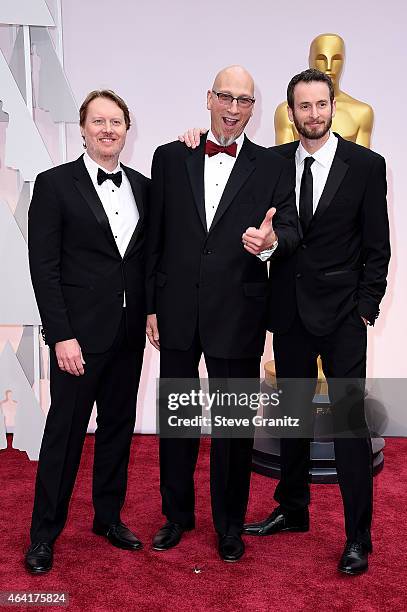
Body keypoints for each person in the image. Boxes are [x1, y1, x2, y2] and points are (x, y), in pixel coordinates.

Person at [180, 68, 390, 574]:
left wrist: (365, 308)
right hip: (288, 313)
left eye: (320, 105)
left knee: (347, 427)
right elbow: (218, 171)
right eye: (302, 107)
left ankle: (357, 535)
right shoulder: (270, 163)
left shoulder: (365, 165)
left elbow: (378, 248)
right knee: (292, 420)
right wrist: (190, 140)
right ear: (290, 111)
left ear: (332, 107)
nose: (312, 115)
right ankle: (293, 509)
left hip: (343, 318)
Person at [146, 65, 298, 562]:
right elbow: (156, 238)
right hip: (178, 310)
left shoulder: (274, 164)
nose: (234, 109)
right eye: (226, 98)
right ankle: (177, 515)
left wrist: (272, 242)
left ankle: (229, 524)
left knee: (233, 426)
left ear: (254, 107)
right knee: (180, 419)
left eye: (245, 101)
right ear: (209, 98)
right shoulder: (171, 156)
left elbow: (292, 227)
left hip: (240, 313)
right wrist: (150, 305)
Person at [25, 90, 149, 573]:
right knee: (65, 435)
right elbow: (45, 267)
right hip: (78, 338)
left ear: (126, 129)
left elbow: (147, 261)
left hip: (127, 333)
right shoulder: (54, 185)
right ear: (82, 128)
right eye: (98, 121)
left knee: (117, 430)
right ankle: (43, 535)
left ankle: (108, 517)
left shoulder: (143, 185)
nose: (108, 129)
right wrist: (61, 335)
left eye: (116, 121)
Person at [274, 34, 374, 147]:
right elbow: (283, 160)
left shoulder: (362, 112)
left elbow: (364, 162)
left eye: (336, 59)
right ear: (310, 61)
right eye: (321, 59)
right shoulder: (285, 111)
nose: (329, 66)